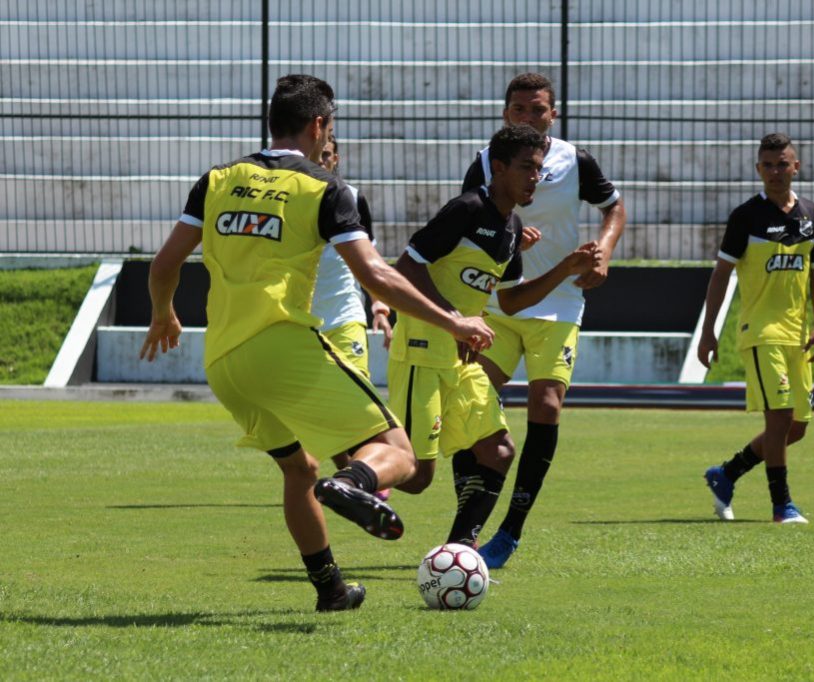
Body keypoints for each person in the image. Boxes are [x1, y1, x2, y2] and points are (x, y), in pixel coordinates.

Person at [139, 74, 493, 611]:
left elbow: (165, 264)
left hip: (223, 360)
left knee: (299, 469)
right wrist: (454, 321)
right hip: (281, 346)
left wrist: (163, 315)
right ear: (320, 125)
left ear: (271, 122)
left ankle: (331, 589)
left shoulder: (216, 179)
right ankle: (353, 480)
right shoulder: (324, 188)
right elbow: (376, 275)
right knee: (400, 454)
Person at [388, 124, 599, 549]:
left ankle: (458, 556)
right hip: (422, 350)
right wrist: (454, 320)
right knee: (416, 476)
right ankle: (352, 478)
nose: (534, 178)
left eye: (539, 169)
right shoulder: (467, 209)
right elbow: (405, 268)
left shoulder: (510, 229)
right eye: (526, 168)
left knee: (499, 452)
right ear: (498, 168)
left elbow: (513, 301)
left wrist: (565, 267)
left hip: (459, 360)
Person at [460, 72, 626, 568]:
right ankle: (467, 523)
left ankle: (510, 530)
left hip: (559, 301)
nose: (528, 117)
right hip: (499, 303)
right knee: (473, 404)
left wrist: (605, 253)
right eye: (518, 109)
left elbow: (613, 208)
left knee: (546, 402)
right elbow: (470, 220)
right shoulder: (488, 161)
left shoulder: (575, 160)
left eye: (537, 109)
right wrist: (507, 234)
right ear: (506, 113)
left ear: (553, 114)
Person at [697, 132, 814, 524]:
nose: (775, 171)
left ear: (796, 166)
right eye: (768, 165)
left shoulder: (812, 215)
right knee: (780, 418)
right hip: (760, 331)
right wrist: (709, 330)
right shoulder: (745, 217)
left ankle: (727, 474)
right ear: (758, 169)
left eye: (782, 163)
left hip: (797, 335)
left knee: (798, 427)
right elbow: (721, 275)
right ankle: (782, 505)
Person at [312, 136, 394, 499]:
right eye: (315, 154)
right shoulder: (289, 196)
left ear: (336, 158)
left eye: (326, 155)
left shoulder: (350, 196)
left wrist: (379, 305)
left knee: (358, 402)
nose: (320, 160)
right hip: (301, 323)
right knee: (325, 411)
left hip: (345, 316)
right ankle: (351, 476)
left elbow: (368, 258)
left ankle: (365, 474)